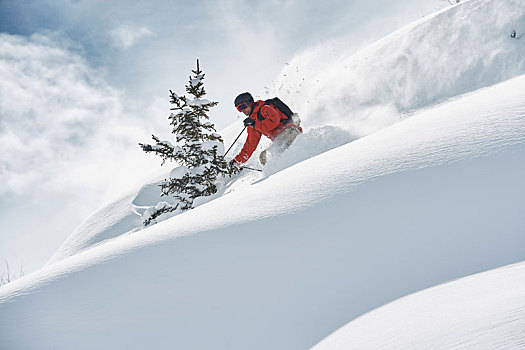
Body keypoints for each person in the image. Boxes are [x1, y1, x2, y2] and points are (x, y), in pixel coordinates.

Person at [230, 92, 302, 167]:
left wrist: (255, 125)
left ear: (250, 102)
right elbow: (250, 145)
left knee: (278, 151)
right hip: (279, 140)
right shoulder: (253, 123)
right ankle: (280, 171)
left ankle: (295, 165)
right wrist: (237, 161)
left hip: (290, 131)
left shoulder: (264, 108)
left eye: (242, 106)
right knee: (264, 157)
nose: (242, 110)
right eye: (239, 109)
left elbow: (274, 121)